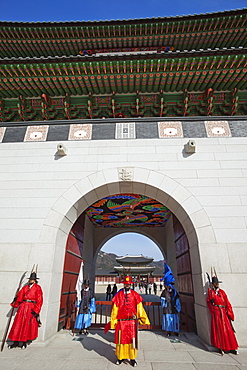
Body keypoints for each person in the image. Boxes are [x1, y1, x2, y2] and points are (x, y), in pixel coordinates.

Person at [107, 276, 150, 367]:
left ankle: (132, 358)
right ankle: (120, 357)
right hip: (121, 322)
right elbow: (115, 309)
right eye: (125, 284)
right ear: (123, 284)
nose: (127, 285)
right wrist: (113, 321)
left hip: (131, 322)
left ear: (131, 284)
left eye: (128, 284)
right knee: (120, 340)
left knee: (132, 340)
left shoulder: (135, 295)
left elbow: (139, 308)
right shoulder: (118, 295)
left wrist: (143, 319)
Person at [8, 267, 43, 349]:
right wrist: (15, 301)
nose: (31, 280)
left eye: (33, 279)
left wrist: (36, 310)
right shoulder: (25, 287)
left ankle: (23, 341)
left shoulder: (38, 288)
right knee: (18, 324)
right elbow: (20, 296)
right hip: (23, 307)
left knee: (26, 325)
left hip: (31, 307)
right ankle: (14, 341)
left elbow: (39, 300)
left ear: (35, 280)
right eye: (30, 279)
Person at [207, 275, 239, 355]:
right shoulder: (211, 293)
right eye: (215, 283)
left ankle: (232, 347)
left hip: (223, 312)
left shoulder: (222, 292)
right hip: (217, 312)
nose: (216, 284)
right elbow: (209, 302)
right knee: (219, 330)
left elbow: (227, 302)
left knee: (228, 330)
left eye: (217, 283)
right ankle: (221, 347)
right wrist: (212, 304)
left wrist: (229, 313)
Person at [160, 261, 181, 337]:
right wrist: (164, 305)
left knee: (175, 320)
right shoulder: (164, 292)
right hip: (168, 308)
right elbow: (162, 300)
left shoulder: (175, 292)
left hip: (174, 308)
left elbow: (177, 300)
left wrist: (178, 308)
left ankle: (176, 331)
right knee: (168, 320)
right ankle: (168, 331)